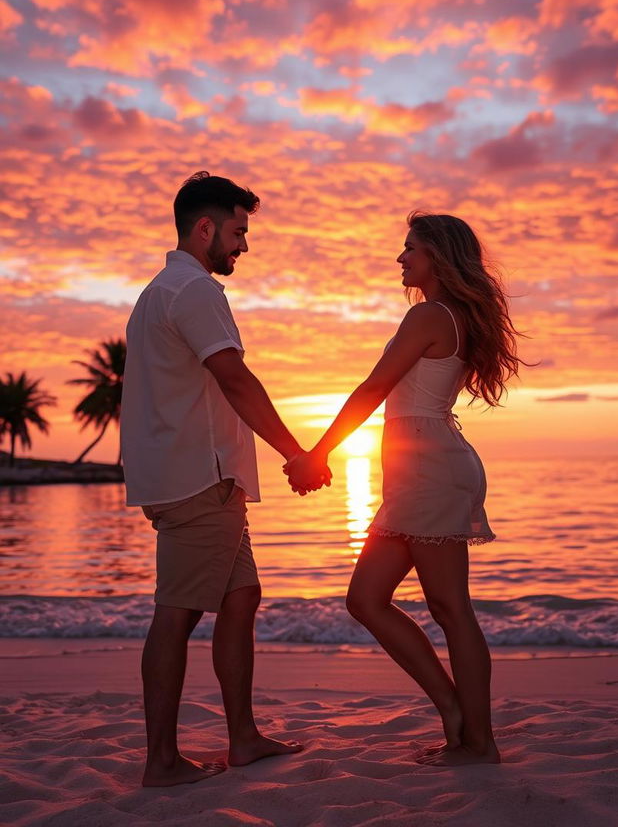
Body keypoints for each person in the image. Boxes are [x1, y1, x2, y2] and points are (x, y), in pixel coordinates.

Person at [286, 212, 524, 766]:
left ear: (438, 257)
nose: (401, 258)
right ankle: (453, 709)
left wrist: (318, 453)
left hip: (430, 471)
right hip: (419, 469)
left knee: (450, 608)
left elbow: (374, 387)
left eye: (410, 249)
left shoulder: (430, 315)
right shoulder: (446, 314)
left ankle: (479, 742)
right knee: (366, 599)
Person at [121, 172, 330, 787]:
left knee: (241, 599)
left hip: (202, 479)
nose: (243, 245)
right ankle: (161, 762)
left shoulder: (160, 291)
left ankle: (243, 737)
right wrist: (298, 454)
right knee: (178, 614)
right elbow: (235, 379)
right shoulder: (192, 290)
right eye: (239, 231)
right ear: (205, 227)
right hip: (197, 480)